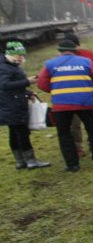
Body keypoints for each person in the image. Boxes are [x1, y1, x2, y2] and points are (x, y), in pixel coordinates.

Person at [37, 39, 93, 171]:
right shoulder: (86, 61)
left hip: (62, 104)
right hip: (86, 102)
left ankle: (72, 164)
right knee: (92, 130)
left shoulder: (50, 64)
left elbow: (41, 84)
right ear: (75, 50)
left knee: (64, 134)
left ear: (59, 51)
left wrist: (58, 88)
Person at [1, 41, 50, 169]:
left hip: (11, 103)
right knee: (22, 132)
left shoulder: (10, 64)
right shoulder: (4, 67)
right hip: (12, 105)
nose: (22, 57)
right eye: (19, 55)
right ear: (10, 54)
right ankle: (31, 161)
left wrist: (27, 92)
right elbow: (5, 85)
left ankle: (20, 161)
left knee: (14, 132)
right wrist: (26, 81)